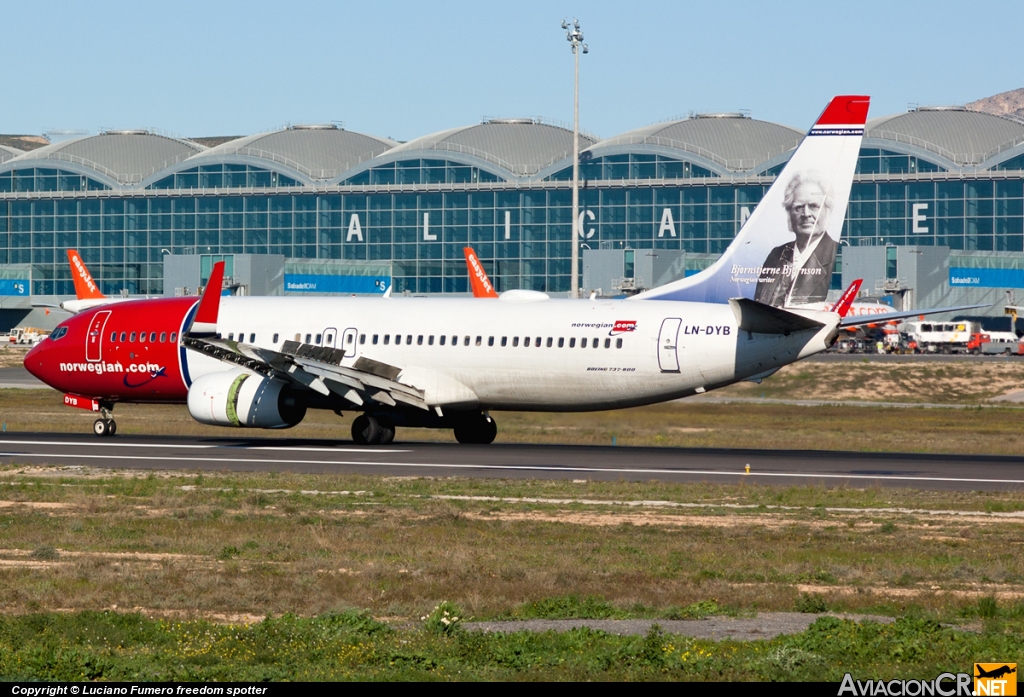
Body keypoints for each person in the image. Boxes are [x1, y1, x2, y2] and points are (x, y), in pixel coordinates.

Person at [754, 171, 837, 307]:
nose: (806, 214)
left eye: (814, 206)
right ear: (789, 214)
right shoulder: (776, 254)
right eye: (798, 207)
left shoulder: (835, 253)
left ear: (827, 211)